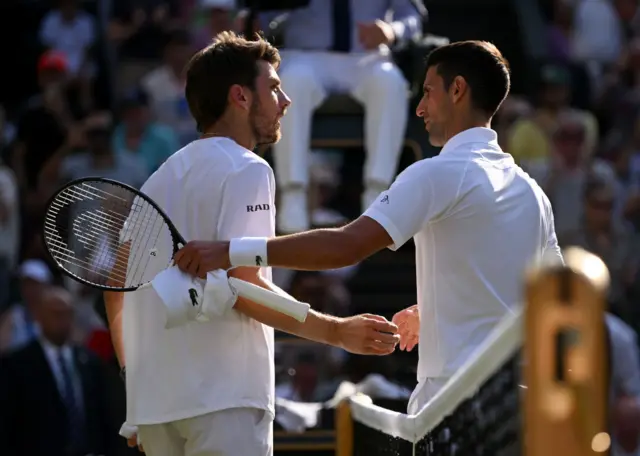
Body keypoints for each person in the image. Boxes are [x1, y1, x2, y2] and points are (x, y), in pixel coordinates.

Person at [174, 40, 563, 415]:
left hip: (454, 401)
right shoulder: (534, 194)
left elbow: (346, 245)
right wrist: (436, 311)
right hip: (522, 408)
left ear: (457, 90)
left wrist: (229, 251)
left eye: (428, 93)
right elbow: (551, 297)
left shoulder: (436, 173)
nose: (420, 109)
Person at [103, 31, 399, 456]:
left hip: (155, 410)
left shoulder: (156, 179)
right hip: (226, 403)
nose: (287, 101)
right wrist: (336, 331)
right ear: (240, 97)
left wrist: (135, 385)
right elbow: (246, 287)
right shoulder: (249, 169)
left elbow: (116, 291)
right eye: (275, 88)